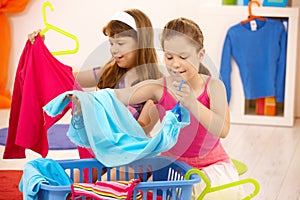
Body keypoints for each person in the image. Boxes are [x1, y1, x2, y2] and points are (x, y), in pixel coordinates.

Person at [110, 17, 243, 199]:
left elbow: (223, 129)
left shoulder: (214, 87)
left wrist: (192, 103)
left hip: (210, 167)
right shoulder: (159, 87)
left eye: (183, 57)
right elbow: (123, 95)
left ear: (201, 54)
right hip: (171, 165)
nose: (175, 64)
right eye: (169, 56)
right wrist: (84, 98)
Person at [28, 8, 162, 181]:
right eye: (111, 43)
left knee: (107, 183)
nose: (114, 50)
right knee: (72, 181)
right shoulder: (107, 72)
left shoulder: (155, 86)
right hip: (106, 153)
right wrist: (40, 51)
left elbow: (142, 129)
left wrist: (101, 118)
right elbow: (66, 76)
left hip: (136, 157)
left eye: (120, 44)